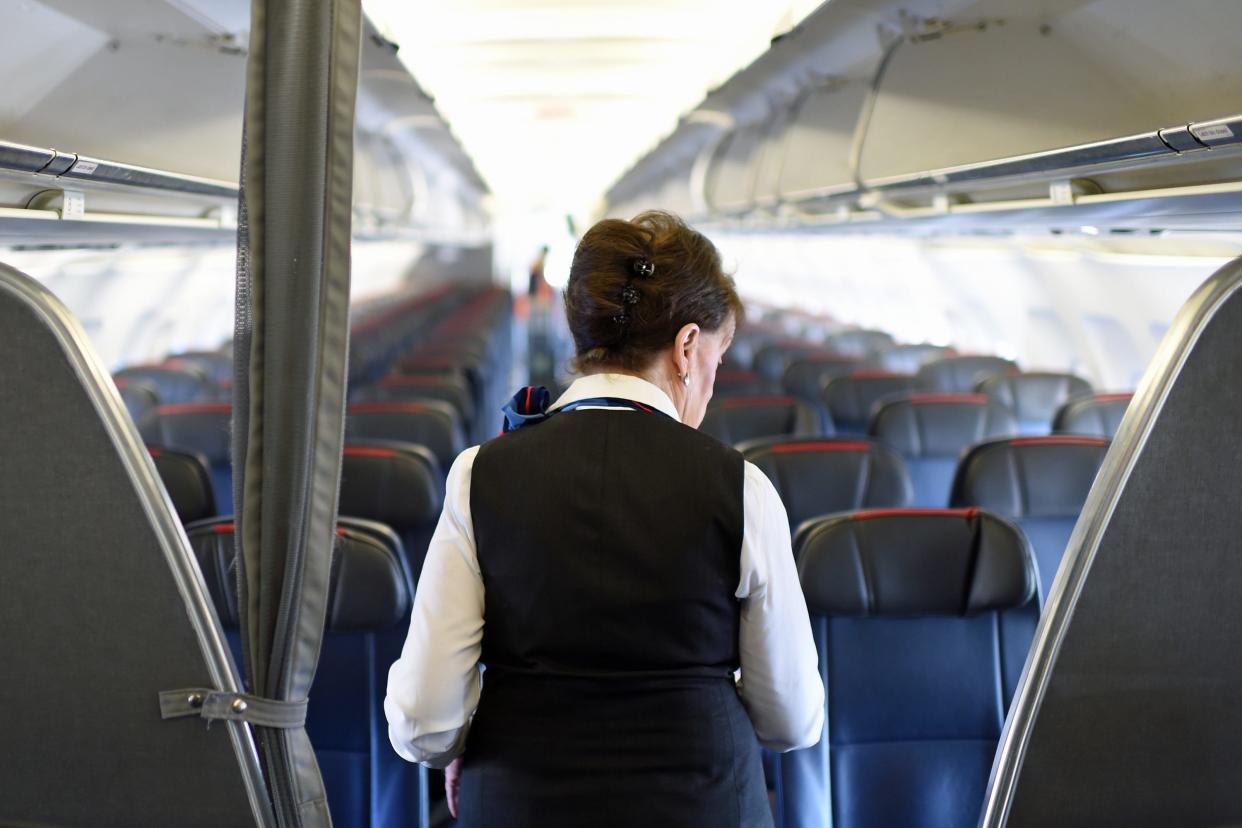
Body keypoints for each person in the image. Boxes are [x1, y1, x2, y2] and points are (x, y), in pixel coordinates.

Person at [385, 210, 824, 827]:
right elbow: (792, 718)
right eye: (715, 364)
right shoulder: (743, 490)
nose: (711, 384)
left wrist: (469, 735)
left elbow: (424, 721)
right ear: (688, 346)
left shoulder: (478, 476)